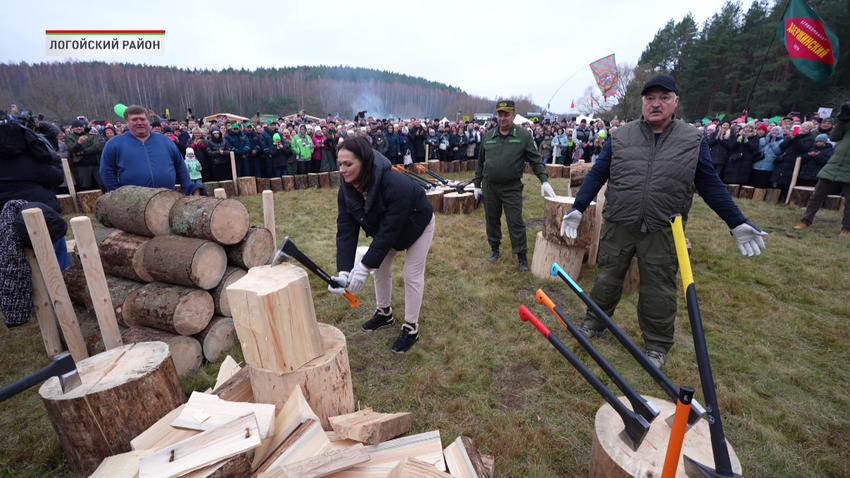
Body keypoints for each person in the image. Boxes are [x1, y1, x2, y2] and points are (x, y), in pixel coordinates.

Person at [559, 75, 768, 369]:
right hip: (620, 222)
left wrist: (735, 221)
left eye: (664, 98)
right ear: (642, 103)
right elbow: (598, 173)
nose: (655, 104)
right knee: (606, 279)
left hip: (663, 228)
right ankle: (593, 324)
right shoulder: (621, 136)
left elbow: (709, 184)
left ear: (676, 102)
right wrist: (580, 207)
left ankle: (657, 346)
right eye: (649, 98)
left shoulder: (693, 140)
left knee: (659, 289)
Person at [330, 137, 435, 353]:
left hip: (418, 224)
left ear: (365, 162)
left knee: (411, 275)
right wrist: (344, 271)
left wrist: (365, 266)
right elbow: (346, 230)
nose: (342, 170)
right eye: (340, 164)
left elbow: (389, 231)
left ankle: (411, 327)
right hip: (388, 229)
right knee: (380, 271)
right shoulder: (347, 190)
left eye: (348, 164)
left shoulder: (395, 184)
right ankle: (384, 313)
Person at [473, 100, 557, 272]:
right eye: (500, 115)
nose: (503, 118)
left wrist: (544, 180)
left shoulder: (523, 136)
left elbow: (535, 160)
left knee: (515, 221)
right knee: (492, 220)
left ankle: (521, 256)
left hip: (511, 187)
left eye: (506, 115)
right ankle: (494, 249)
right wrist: (477, 184)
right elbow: (481, 163)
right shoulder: (489, 136)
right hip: (490, 187)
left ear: (513, 115)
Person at [100, 105, 192, 192]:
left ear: (148, 121)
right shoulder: (115, 143)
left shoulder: (165, 141)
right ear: (127, 123)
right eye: (134, 120)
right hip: (133, 202)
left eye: (142, 119)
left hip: (166, 199)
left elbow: (181, 167)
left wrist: (188, 189)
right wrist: (118, 195)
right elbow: (106, 171)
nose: (139, 123)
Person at [793, 102, 850, 236]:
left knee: (849, 201)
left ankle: (847, 228)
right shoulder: (847, 124)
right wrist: (841, 120)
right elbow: (834, 137)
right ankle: (805, 221)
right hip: (834, 163)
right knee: (817, 195)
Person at [64, 119, 104, 191]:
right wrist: (79, 143)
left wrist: (82, 152)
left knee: (102, 184)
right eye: (76, 126)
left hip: (96, 165)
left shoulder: (91, 136)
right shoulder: (69, 137)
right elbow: (72, 149)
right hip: (82, 166)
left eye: (80, 126)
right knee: (86, 187)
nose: (79, 128)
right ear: (73, 128)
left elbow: (97, 147)